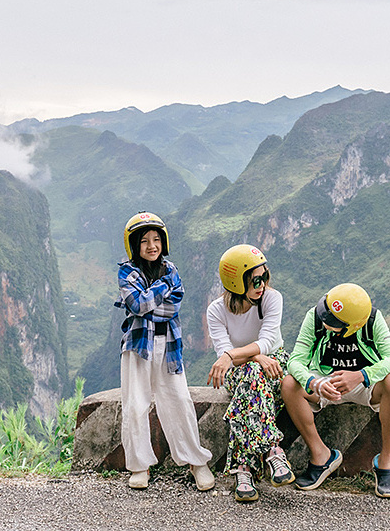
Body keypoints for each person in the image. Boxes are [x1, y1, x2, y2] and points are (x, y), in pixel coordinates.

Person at [115, 212, 214, 491]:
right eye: (144, 241)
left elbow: (173, 306)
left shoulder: (171, 269)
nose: (151, 246)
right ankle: (139, 466)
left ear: (164, 242)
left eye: (156, 239)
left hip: (168, 346)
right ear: (134, 245)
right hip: (138, 346)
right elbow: (136, 305)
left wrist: (148, 300)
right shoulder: (127, 271)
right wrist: (161, 289)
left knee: (179, 400)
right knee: (135, 404)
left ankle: (196, 461)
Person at [282, 283, 390, 498]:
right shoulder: (315, 317)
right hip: (325, 381)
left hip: (364, 382)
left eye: (333, 322)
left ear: (354, 325)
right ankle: (321, 455)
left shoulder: (372, 320)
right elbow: (295, 361)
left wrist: (361, 375)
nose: (324, 321)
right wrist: (314, 382)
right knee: (289, 384)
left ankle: (385, 461)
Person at [206, 244, 294, 502]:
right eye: (255, 279)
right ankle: (272, 451)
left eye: (264, 276)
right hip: (244, 368)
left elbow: (266, 341)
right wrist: (252, 357)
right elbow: (228, 351)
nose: (262, 284)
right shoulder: (216, 310)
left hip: (274, 363)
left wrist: (235, 355)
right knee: (252, 373)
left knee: (249, 381)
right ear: (235, 282)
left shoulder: (272, 299)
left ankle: (244, 469)